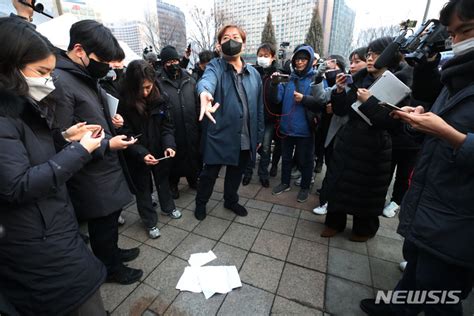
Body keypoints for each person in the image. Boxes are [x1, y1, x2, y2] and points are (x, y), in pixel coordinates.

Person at [360, 0, 474, 314]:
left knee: (442, 297)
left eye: (467, 31)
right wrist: (419, 117)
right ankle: (397, 309)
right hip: (434, 200)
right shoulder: (455, 80)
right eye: (454, 34)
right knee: (416, 272)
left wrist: (449, 134)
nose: (459, 42)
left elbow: (452, 133)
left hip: (459, 218)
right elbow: (433, 124)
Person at [0, 17, 107, 315]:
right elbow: (16, 184)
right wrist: (80, 150)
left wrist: (63, 138)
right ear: (9, 66)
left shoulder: (18, 107)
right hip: (33, 242)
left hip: (50, 227)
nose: (48, 79)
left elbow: (29, 154)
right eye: (42, 71)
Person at [53, 20, 143, 285]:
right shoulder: (61, 81)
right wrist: (107, 144)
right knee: (102, 224)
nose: (106, 66)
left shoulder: (83, 76)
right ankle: (110, 268)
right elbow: (62, 138)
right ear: (79, 50)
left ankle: (114, 254)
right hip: (91, 172)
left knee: (111, 219)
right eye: (102, 59)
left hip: (105, 167)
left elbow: (88, 115)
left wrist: (109, 119)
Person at [321, 36, 411, 242]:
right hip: (348, 140)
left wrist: (369, 102)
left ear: (390, 57)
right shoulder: (359, 79)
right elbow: (342, 110)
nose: (370, 59)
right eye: (369, 54)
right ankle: (334, 222)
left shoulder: (400, 84)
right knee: (338, 183)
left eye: (376, 54)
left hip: (375, 146)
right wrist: (340, 91)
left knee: (368, 191)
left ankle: (364, 229)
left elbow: (393, 124)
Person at [195, 24, 264, 221]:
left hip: (245, 135)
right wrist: (204, 94)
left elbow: (258, 108)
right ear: (219, 45)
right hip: (219, 133)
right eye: (225, 38)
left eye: (235, 37)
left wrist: (258, 135)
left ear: (243, 42)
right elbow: (206, 82)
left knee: (236, 173)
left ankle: (230, 200)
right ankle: (201, 203)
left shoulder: (254, 74)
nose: (231, 41)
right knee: (209, 174)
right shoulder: (215, 67)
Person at [119, 59, 181, 239]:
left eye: (148, 87)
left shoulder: (161, 96)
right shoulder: (123, 101)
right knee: (143, 188)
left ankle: (168, 207)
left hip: (159, 148)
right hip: (137, 152)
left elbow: (167, 126)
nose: (146, 92)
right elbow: (124, 133)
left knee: (163, 179)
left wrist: (169, 145)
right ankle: (149, 221)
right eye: (141, 88)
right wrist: (142, 153)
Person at [313, 47, 367, 216]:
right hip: (335, 134)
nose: (353, 65)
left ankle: (332, 201)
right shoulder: (344, 83)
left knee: (344, 173)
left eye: (357, 61)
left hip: (357, 138)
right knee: (332, 167)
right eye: (352, 61)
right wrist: (318, 77)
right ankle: (327, 199)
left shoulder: (370, 86)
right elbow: (321, 97)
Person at [271, 45, 326, 203]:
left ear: (310, 61)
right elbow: (277, 99)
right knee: (286, 158)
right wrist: (275, 84)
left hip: (306, 129)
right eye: (297, 59)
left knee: (306, 160)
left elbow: (321, 102)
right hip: (287, 128)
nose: (299, 62)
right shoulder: (288, 78)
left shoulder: (317, 78)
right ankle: (285, 182)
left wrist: (304, 99)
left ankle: (305, 187)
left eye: (303, 59)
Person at [158, 46, 201, 199]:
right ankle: (173, 184)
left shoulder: (190, 79)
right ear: (163, 64)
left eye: (175, 60)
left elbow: (197, 102)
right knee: (173, 160)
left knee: (192, 155)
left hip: (191, 125)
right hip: (171, 128)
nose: (173, 64)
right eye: (169, 61)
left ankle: (193, 179)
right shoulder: (158, 83)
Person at [242, 43, 282, 188]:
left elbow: (277, 99)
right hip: (252, 117)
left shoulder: (277, 74)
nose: (262, 58)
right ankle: (247, 173)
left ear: (273, 57)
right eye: (260, 55)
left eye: (266, 56)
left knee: (265, 148)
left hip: (269, 119)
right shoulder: (252, 72)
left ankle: (263, 174)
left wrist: (275, 84)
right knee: (250, 146)